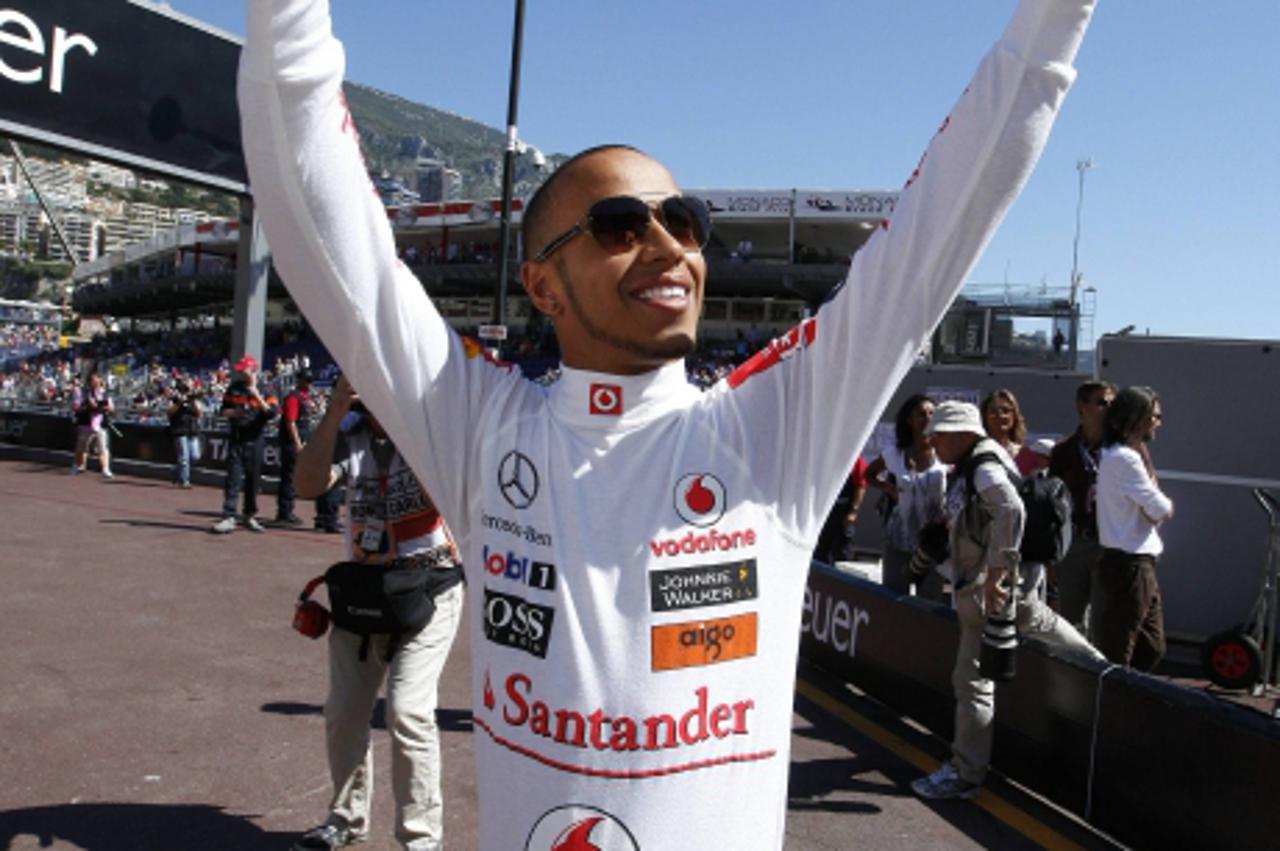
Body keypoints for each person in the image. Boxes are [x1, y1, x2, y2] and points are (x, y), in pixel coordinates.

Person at [240, 0, 1096, 844]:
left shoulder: (778, 426)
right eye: (618, 225)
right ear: (543, 286)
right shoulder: (482, 426)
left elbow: (943, 221)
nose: (667, 244)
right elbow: (323, 229)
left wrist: (1055, 19)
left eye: (683, 221)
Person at [292, 375, 464, 851]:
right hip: (365, 589)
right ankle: (344, 820)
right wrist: (334, 411)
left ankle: (420, 840)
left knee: (409, 712)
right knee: (344, 712)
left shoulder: (433, 429)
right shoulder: (348, 430)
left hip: (430, 587)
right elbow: (306, 485)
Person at [910, 401, 1101, 801]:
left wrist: (997, 570)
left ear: (961, 434)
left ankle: (966, 771)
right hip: (1009, 587)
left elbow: (1010, 508)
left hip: (989, 591)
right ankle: (1103, 673)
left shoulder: (981, 466)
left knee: (972, 681)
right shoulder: (983, 459)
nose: (933, 443)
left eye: (938, 435)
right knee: (1039, 621)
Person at [1092, 386, 1173, 671]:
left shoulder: (1125, 455)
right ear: (1135, 417)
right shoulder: (1124, 458)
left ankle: (1127, 700)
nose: (1158, 423)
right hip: (1129, 563)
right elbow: (1161, 508)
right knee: (1119, 649)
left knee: (1152, 646)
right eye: (1153, 416)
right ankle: (1112, 708)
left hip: (1139, 562)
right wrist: (1159, 506)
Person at [865, 395, 948, 599]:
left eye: (931, 414)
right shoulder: (894, 454)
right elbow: (868, 474)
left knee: (929, 604)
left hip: (931, 543)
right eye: (921, 414)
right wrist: (888, 488)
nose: (927, 418)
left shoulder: (945, 454)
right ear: (909, 420)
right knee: (893, 600)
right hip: (898, 539)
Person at [1048, 380, 1115, 629]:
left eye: (1112, 404)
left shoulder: (1122, 449)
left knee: (1104, 620)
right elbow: (1053, 504)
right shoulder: (1064, 451)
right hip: (1073, 542)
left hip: (1108, 543)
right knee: (1070, 620)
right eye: (1101, 402)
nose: (1108, 408)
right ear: (1082, 406)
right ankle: (1069, 667)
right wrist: (1051, 555)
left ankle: (1099, 667)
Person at [211, 356, 277, 534]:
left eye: (244, 369)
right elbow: (223, 410)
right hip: (237, 437)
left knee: (253, 480)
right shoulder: (234, 389)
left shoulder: (267, 389)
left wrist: (255, 392)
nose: (241, 372)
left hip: (255, 439)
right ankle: (228, 515)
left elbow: (272, 414)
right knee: (233, 477)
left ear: (253, 370)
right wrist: (234, 413)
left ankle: (249, 515)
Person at [276, 369, 316, 525]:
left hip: (301, 439)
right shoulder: (293, 398)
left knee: (292, 476)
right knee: (289, 476)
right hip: (291, 442)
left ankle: (287, 509)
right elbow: (290, 422)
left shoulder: (304, 397)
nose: (309, 384)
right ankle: (284, 511)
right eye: (307, 380)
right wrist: (298, 443)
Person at [812, 455, 868, 565]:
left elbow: (861, 487)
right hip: (825, 512)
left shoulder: (857, 461)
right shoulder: (827, 457)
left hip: (844, 513)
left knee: (841, 550)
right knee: (820, 549)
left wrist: (853, 511)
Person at [980, 387, 1039, 476]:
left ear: (1014, 416)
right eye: (993, 411)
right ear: (985, 417)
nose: (1000, 415)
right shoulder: (976, 453)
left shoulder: (1026, 456)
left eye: (1006, 411)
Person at [71, 371, 113, 478]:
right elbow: (75, 407)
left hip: (100, 424)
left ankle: (105, 468)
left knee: (103, 447)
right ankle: (77, 464)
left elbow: (111, 408)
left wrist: (105, 408)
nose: (94, 382)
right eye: (92, 380)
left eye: (96, 380)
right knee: (82, 447)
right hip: (85, 423)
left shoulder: (105, 393)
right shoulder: (82, 392)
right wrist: (88, 406)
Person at [165, 379, 203, 488]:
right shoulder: (174, 397)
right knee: (184, 457)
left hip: (192, 430)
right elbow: (169, 412)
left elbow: (199, 413)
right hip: (179, 430)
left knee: (195, 456)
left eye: (189, 386)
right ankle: (184, 481)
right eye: (185, 386)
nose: (187, 388)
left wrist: (193, 399)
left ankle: (175, 471)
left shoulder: (194, 399)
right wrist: (180, 403)